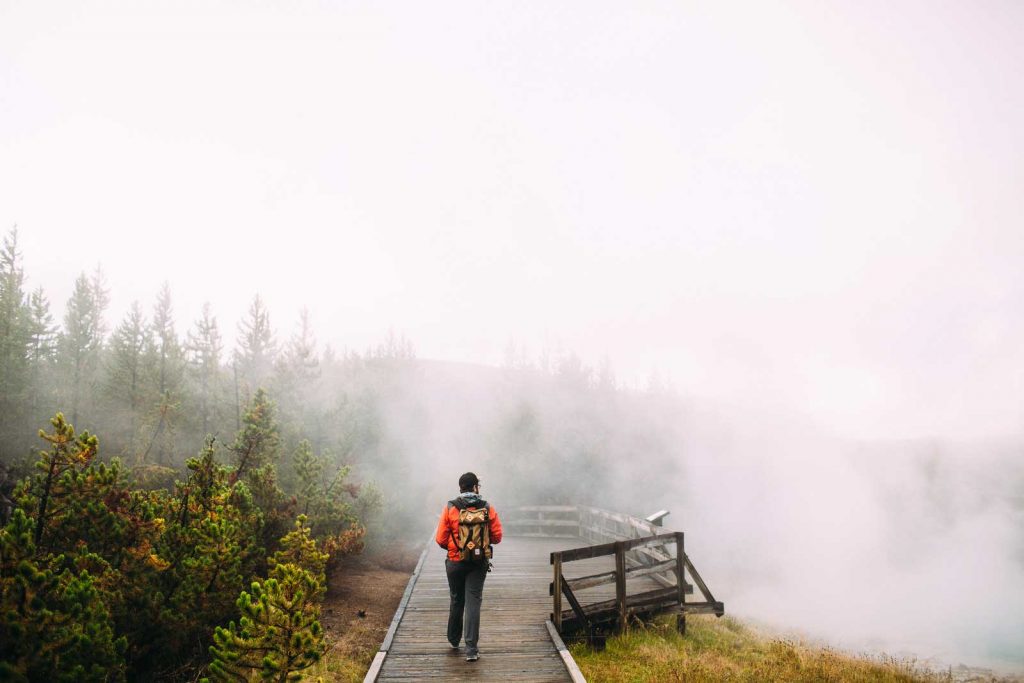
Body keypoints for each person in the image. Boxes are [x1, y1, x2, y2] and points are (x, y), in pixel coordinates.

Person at [434, 471, 503, 662]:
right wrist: (481, 543)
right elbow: (497, 537)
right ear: (475, 487)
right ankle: (471, 650)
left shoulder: (450, 508)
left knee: (457, 599)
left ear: (460, 487)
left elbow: (440, 539)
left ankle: (453, 639)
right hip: (478, 563)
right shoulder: (487, 507)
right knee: (473, 602)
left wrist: (455, 548)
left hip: (455, 561)